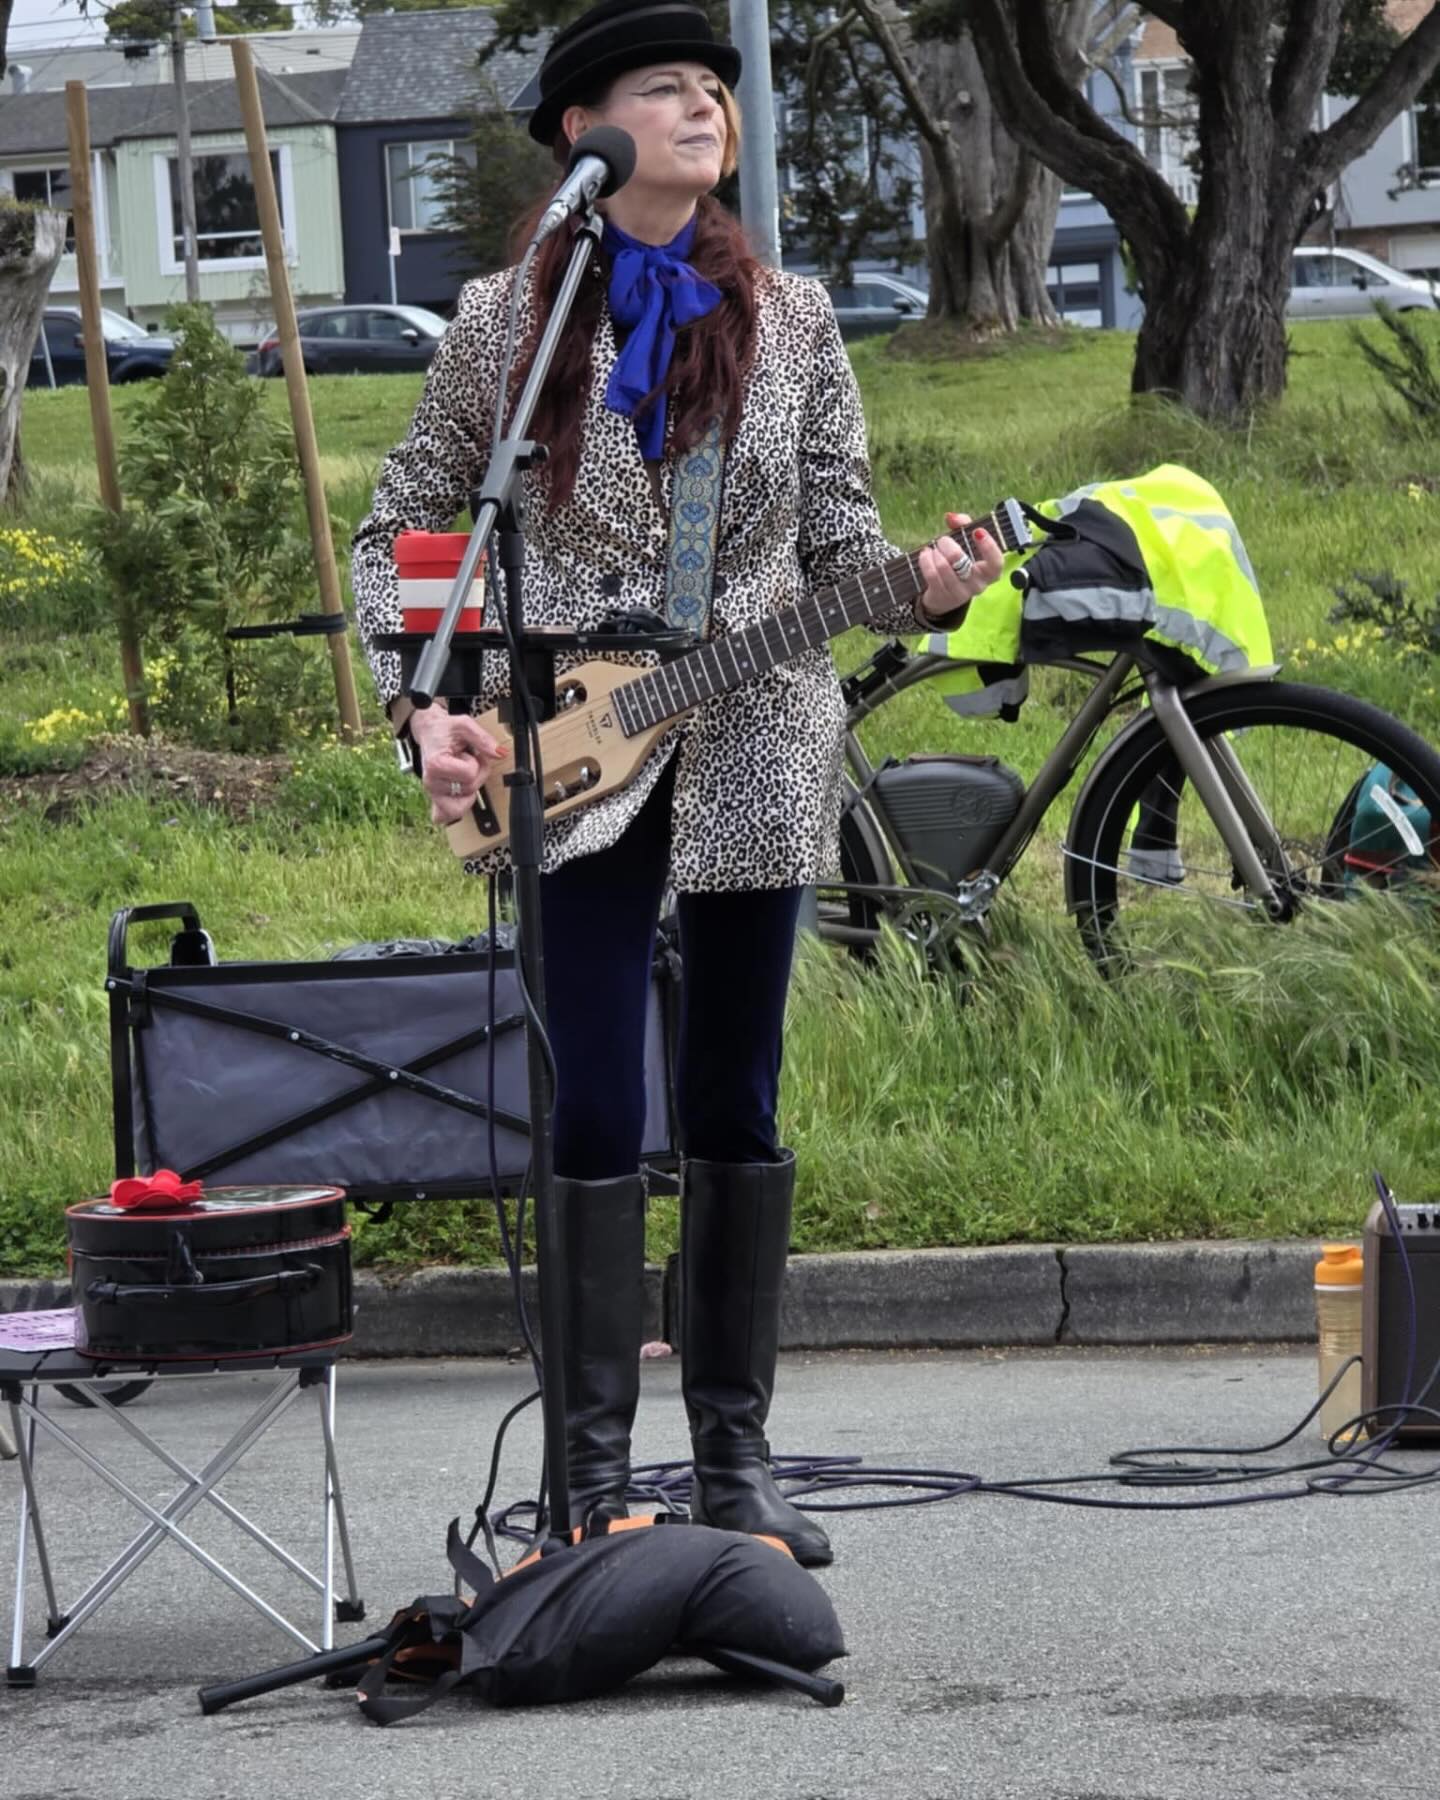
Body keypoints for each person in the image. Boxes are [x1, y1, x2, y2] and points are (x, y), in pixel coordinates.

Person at [351, 0, 1004, 1568]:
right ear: (587, 131)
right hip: (567, 748)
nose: (707, 106)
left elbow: (844, 543)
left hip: (760, 739)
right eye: (668, 87)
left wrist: (919, 586)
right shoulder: (507, 326)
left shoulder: (793, 319)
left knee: (733, 1093)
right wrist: (424, 709)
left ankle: (735, 1463)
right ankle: (586, 1476)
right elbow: (399, 542)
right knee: (593, 1097)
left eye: (716, 87)